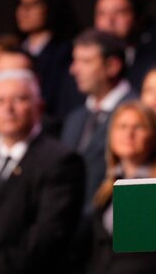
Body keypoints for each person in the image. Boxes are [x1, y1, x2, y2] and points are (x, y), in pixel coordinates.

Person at [0, 69, 85, 274]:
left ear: (39, 106)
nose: (8, 109)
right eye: (0, 100)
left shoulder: (61, 161)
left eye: (19, 99)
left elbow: (48, 234)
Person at [60, 28, 137, 272]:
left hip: (111, 246)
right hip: (70, 247)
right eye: (75, 60)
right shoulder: (75, 118)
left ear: (112, 66)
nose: (74, 69)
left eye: (85, 61)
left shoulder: (136, 112)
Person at [89, 100, 156, 274]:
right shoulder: (105, 188)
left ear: (155, 136)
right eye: (122, 126)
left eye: (138, 127)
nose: (128, 134)